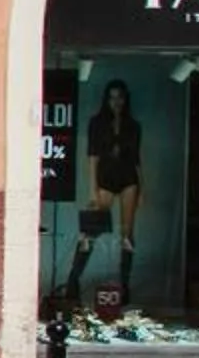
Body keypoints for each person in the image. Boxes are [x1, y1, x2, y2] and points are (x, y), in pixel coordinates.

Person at [62, 80, 145, 308]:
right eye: (112, 97)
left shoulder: (133, 125)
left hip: (129, 178)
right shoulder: (97, 123)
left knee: (128, 234)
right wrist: (93, 189)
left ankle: (124, 284)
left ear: (125, 99)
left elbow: (137, 159)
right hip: (106, 178)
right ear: (106, 99)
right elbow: (92, 157)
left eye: (120, 97)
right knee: (91, 230)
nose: (116, 102)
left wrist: (143, 189)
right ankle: (73, 280)